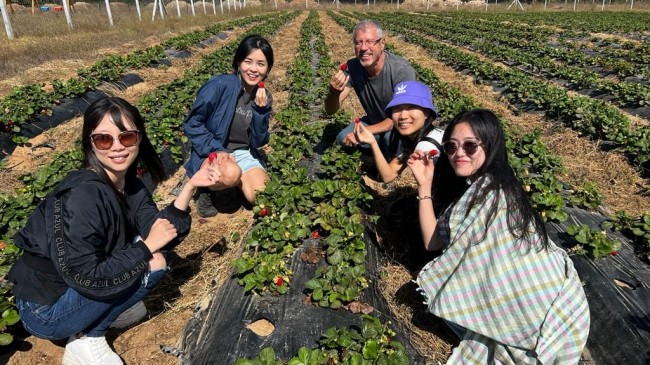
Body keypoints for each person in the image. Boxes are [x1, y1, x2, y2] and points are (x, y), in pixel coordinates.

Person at [7, 97, 217, 365]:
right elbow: (84, 276)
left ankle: (95, 315)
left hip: (75, 287)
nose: (118, 147)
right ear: (90, 143)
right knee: (152, 261)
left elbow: (162, 233)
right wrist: (144, 248)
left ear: (139, 138)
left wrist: (190, 187)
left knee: (154, 253)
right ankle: (87, 338)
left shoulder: (130, 185)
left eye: (126, 137)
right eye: (104, 139)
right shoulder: (83, 196)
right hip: (45, 309)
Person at [407, 109, 590, 364]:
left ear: (490, 146)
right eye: (451, 146)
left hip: (536, 305)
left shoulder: (496, 193)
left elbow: (446, 250)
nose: (459, 153)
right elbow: (433, 242)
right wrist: (424, 185)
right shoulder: (480, 189)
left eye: (470, 146)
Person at [183, 34, 274, 218]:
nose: (253, 69)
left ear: (268, 68)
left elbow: (258, 141)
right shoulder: (220, 85)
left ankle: (238, 185)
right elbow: (192, 123)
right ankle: (208, 190)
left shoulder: (264, 96)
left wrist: (261, 113)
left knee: (264, 199)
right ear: (239, 62)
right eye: (248, 61)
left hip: (243, 153)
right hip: (212, 150)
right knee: (231, 173)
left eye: (261, 64)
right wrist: (216, 149)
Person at [324, 19, 416, 152]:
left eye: (370, 42)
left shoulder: (401, 70)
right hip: (374, 121)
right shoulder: (352, 67)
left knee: (390, 141)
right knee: (342, 139)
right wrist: (333, 92)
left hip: (400, 124)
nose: (363, 48)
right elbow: (330, 110)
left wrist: (365, 131)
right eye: (358, 42)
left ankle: (388, 158)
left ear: (382, 43)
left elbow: (402, 117)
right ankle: (373, 153)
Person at [353, 80, 443, 183]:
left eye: (411, 107)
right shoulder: (414, 139)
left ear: (426, 112)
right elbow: (389, 175)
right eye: (397, 108)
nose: (403, 116)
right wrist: (373, 142)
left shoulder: (426, 147)